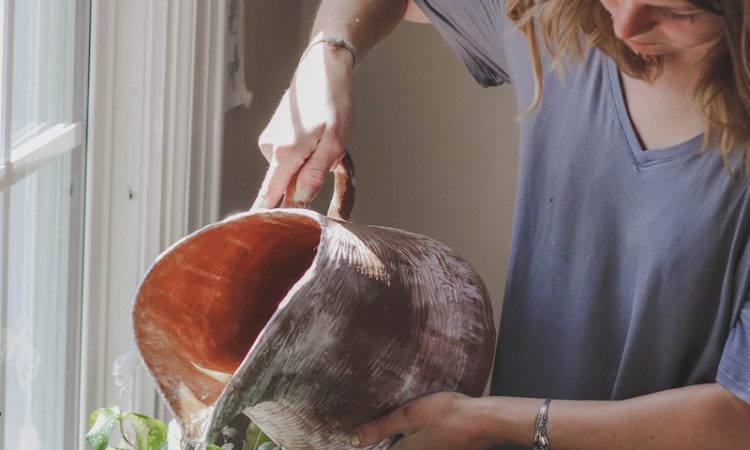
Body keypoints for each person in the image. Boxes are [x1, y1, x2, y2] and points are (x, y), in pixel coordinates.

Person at [253, 0, 750, 449]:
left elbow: (740, 413)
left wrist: (486, 421)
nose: (624, 24)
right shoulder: (553, 17)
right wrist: (328, 56)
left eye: (680, 12)